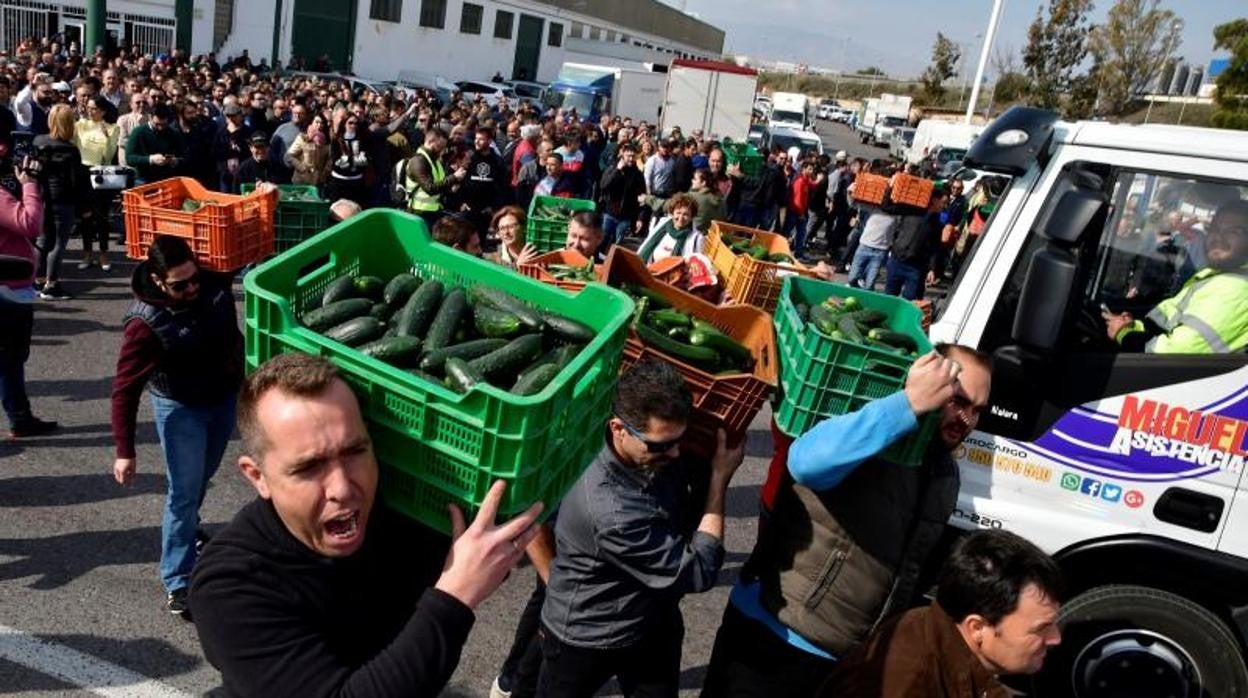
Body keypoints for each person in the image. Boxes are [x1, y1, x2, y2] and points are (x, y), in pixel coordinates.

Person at [191, 352, 542, 696]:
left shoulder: (399, 512)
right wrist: (456, 594)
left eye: (355, 451)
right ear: (258, 477)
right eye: (309, 468)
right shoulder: (228, 586)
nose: (343, 488)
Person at [701, 345, 993, 697]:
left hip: (843, 660)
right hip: (774, 637)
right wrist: (908, 403)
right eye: (959, 402)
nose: (967, 420)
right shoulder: (875, 429)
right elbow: (805, 461)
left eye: (977, 410)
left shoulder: (945, 474)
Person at [537, 361, 746, 697]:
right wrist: (719, 481)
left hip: (651, 623)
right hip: (587, 639)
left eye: (680, 439)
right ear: (618, 428)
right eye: (660, 445)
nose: (675, 452)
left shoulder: (632, 447)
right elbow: (699, 571)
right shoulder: (613, 512)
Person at [111, 235, 243, 619]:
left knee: (201, 479)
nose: (192, 288)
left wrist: (266, 204)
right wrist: (125, 451)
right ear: (157, 280)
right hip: (181, 408)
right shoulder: (144, 324)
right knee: (182, 494)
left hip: (222, 399)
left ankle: (189, 531)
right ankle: (177, 579)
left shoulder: (211, 277)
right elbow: (124, 389)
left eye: (194, 279)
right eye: (180, 284)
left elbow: (251, 245)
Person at [820, 530, 1063, 698]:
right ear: (977, 628)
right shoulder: (909, 682)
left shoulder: (929, 625)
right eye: (1041, 628)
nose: (1056, 639)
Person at [1106, 199, 1248, 353]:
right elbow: (1172, 323)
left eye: (1235, 231)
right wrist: (1135, 326)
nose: (1218, 237)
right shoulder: (1217, 275)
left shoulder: (1236, 289)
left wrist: (1124, 334)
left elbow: (1177, 352)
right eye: (1214, 229)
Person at [0, 157, 57, 438]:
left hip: (11, 286)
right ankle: (19, 417)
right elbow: (31, 224)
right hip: (7, 290)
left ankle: (20, 415)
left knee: (10, 360)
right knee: (10, 358)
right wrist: (30, 185)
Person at [32, 103, 90, 301]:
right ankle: (51, 284)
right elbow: (76, 182)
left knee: (42, 240)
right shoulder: (70, 150)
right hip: (63, 201)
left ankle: (38, 280)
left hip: (40, 198)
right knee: (58, 243)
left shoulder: (38, 141)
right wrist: (84, 207)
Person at [73, 95, 120, 272]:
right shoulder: (80, 125)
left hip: (101, 174)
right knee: (85, 217)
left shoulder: (113, 128)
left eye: (94, 108)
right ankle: (87, 254)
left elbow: (108, 157)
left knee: (101, 217)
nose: (90, 111)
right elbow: (73, 144)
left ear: (103, 111)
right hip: (83, 173)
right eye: (89, 107)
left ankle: (104, 254)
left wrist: (107, 137)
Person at [886, 186, 951, 301]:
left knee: (910, 300)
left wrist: (932, 269)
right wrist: (890, 188)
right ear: (934, 199)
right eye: (943, 202)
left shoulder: (937, 224)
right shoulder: (913, 211)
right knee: (889, 297)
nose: (944, 206)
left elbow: (935, 247)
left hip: (915, 267)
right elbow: (888, 207)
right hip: (897, 261)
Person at [403, 127, 468, 227]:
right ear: (430, 141)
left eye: (444, 146)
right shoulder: (418, 161)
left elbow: (440, 184)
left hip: (434, 210)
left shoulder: (435, 161)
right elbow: (430, 188)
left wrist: (453, 188)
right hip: (419, 212)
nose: (442, 149)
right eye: (439, 146)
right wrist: (453, 177)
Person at [598, 140, 646, 246]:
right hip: (609, 213)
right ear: (622, 154)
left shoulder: (638, 175)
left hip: (626, 216)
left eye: (633, 156)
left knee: (617, 244)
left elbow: (642, 197)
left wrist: (640, 218)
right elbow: (604, 185)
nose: (630, 159)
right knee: (602, 241)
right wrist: (617, 171)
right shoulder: (612, 168)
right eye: (628, 156)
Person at [637, 193, 705, 265]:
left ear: (691, 217)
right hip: (649, 270)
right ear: (672, 213)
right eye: (678, 213)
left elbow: (697, 264)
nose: (681, 218)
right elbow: (645, 247)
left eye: (686, 214)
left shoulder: (697, 238)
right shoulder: (660, 224)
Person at [125, 103, 185, 184]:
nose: (160, 128)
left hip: (167, 178)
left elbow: (183, 156)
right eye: (157, 124)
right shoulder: (138, 132)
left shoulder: (173, 133)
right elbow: (129, 158)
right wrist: (151, 159)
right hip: (144, 179)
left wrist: (175, 161)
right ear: (150, 117)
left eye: (164, 125)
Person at [284, 112, 331, 187]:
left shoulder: (326, 140)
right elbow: (289, 156)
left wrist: (325, 172)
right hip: (301, 180)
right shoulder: (303, 138)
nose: (319, 125)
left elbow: (330, 158)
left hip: (318, 181)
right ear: (311, 122)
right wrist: (301, 167)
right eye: (317, 122)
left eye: (322, 123)